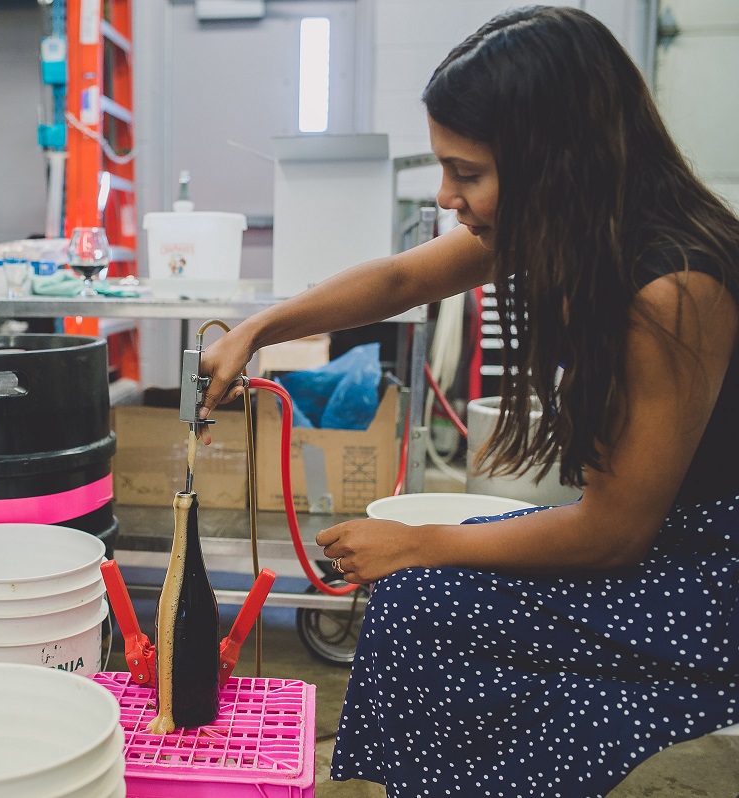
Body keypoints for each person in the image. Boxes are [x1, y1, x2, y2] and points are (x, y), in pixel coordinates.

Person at [199, 7, 738, 796]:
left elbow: (616, 533)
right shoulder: (572, 224)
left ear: (556, 160)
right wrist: (260, 328)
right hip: (649, 542)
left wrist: (421, 545)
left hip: (697, 576)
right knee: (413, 603)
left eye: (468, 172)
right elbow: (401, 279)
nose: (448, 196)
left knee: (420, 599)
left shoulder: (675, 286)